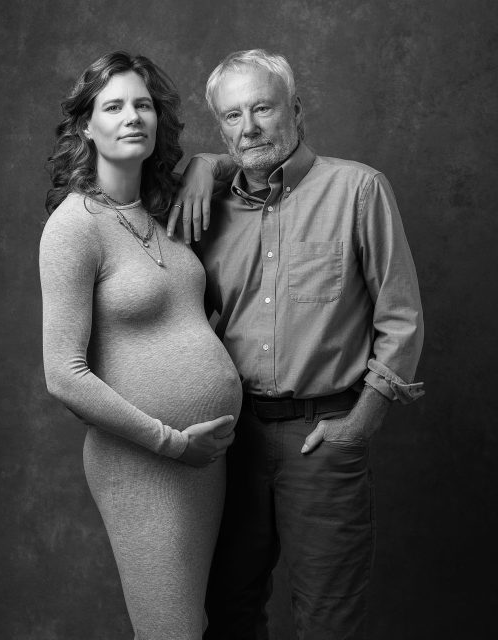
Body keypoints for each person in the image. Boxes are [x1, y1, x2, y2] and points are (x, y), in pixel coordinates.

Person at [167, 48, 425, 640]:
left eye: (262, 108)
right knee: (227, 611)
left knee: (327, 620)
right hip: (229, 443)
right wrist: (203, 164)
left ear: (297, 110)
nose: (248, 128)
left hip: (322, 439)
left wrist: (360, 423)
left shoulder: (358, 190)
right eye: (231, 117)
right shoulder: (205, 206)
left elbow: (401, 316)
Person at [39, 50, 242, 640]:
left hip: (206, 460)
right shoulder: (75, 225)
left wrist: (205, 163)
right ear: (86, 126)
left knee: (198, 624)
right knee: (170, 632)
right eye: (114, 105)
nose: (133, 117)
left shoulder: (162, 209)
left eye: (144, 105)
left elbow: (257, 156)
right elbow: (64, 375)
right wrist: (172, 443)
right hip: (146, 461)